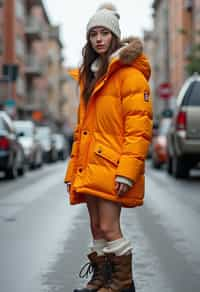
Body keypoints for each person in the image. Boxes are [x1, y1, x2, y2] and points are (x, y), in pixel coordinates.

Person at [64, 3, 153, 292]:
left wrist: (127, 172)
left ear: (115, 36)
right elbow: (82, 131)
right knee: (96, 228)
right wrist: (72, 170)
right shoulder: (89, 78)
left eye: (104, 33)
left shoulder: (130, 75)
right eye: (93, 34)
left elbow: (138, 130)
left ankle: (123, 284)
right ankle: (101, 279)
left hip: (114, 166)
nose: (98, 39)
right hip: (89, 165)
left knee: (109, 227)